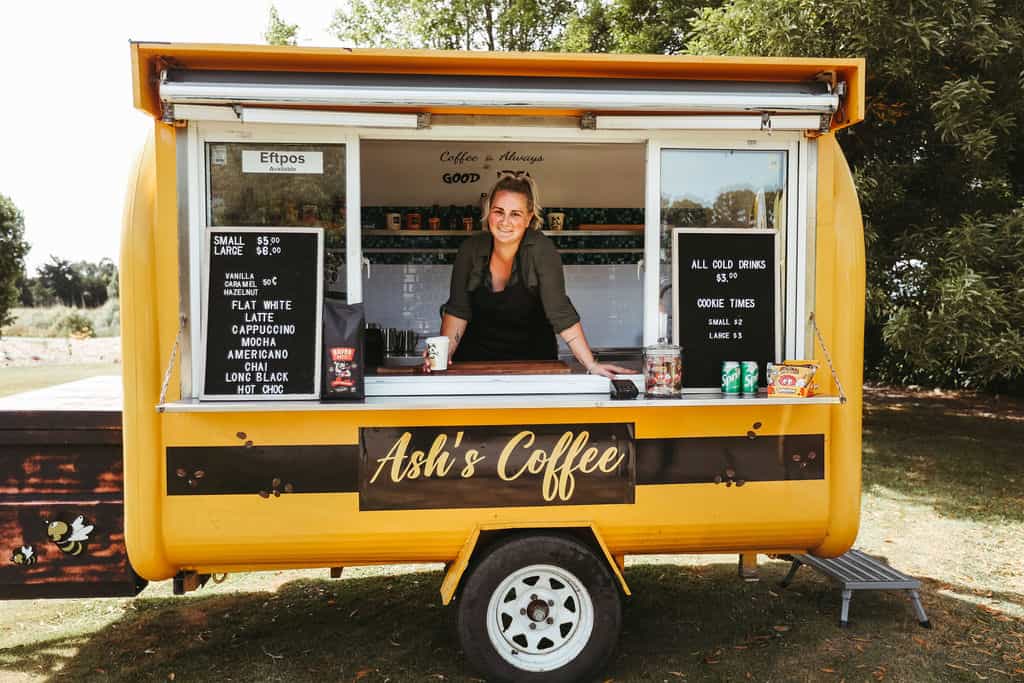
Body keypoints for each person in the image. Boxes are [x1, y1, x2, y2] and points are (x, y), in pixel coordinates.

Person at [427, 171, 632, 378]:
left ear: (528, 218)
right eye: (499, 211)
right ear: (489, 213)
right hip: (475, 366)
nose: (505, 221)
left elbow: (560, 313)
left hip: (534, 367)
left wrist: (592, 364)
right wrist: (442, 357)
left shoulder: (540, 249)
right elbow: (457, 312)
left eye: (515, 214)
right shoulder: (470, 249)